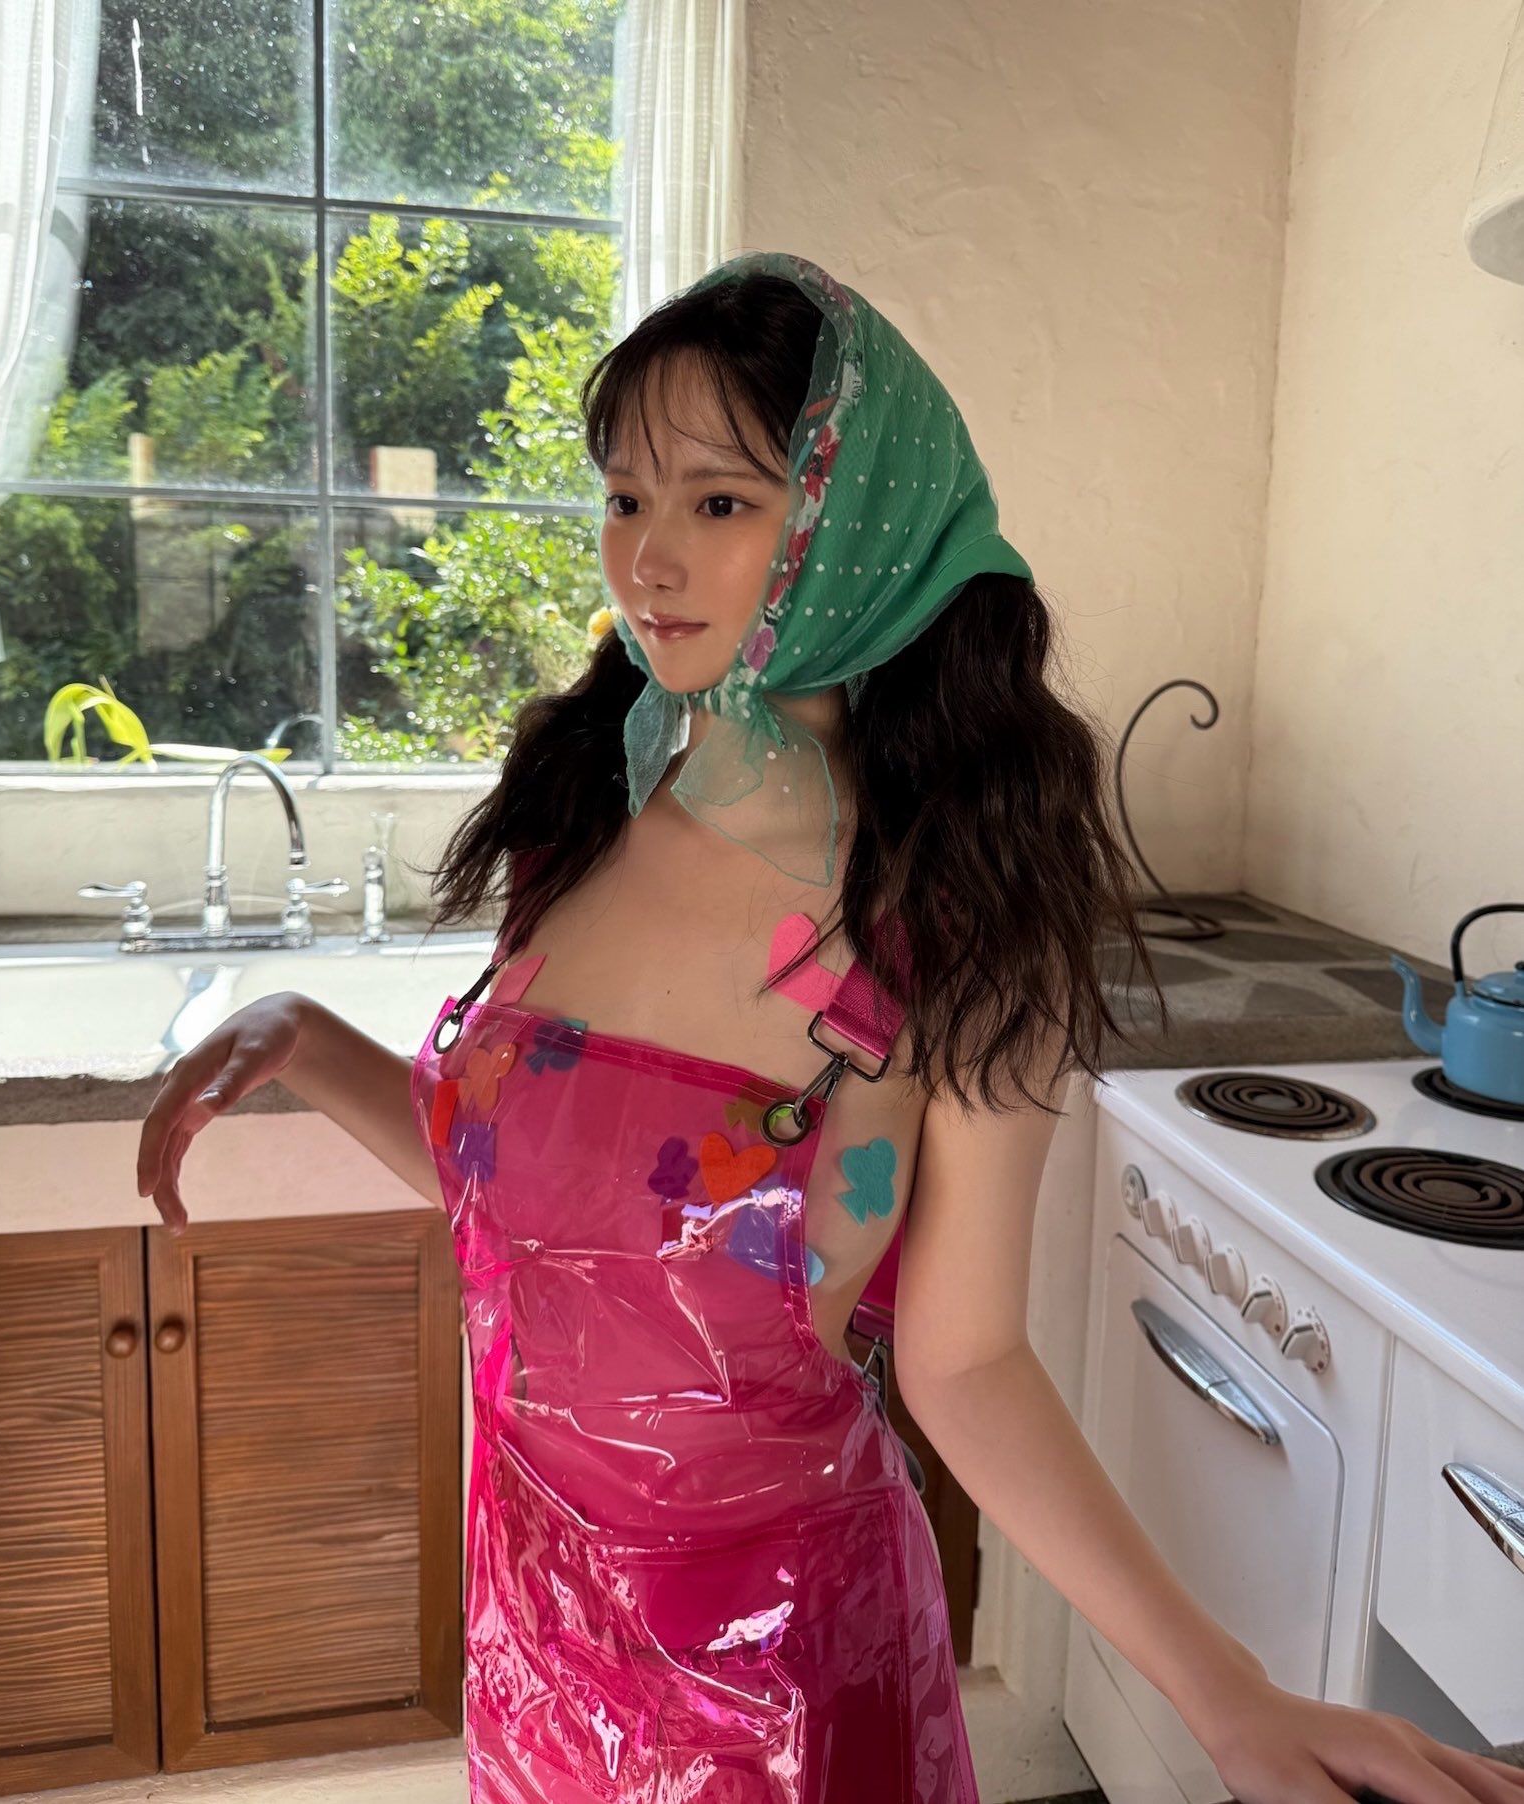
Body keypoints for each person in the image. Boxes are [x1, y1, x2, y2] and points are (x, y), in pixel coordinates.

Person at [135, 252, 1520, 1804]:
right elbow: (532, 1217)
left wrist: (1226, 1695)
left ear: (857, 523)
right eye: (624, 497)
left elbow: (968, 1363)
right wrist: (302, 1036)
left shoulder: (948, 916)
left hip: (782, 1688)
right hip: (533, 1642)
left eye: (719, 502)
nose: (648, 557)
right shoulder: (587, 811)